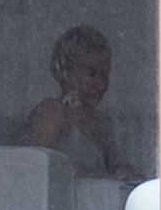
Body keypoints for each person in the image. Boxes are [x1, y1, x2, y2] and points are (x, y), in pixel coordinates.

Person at [11, 25, 142, 183]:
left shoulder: (98, 125)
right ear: (66, 72)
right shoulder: (52, 112)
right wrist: (105, 179)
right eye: (91, 73)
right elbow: (39, 169)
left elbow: (122, 169)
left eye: (105, 75)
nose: (99, 84)